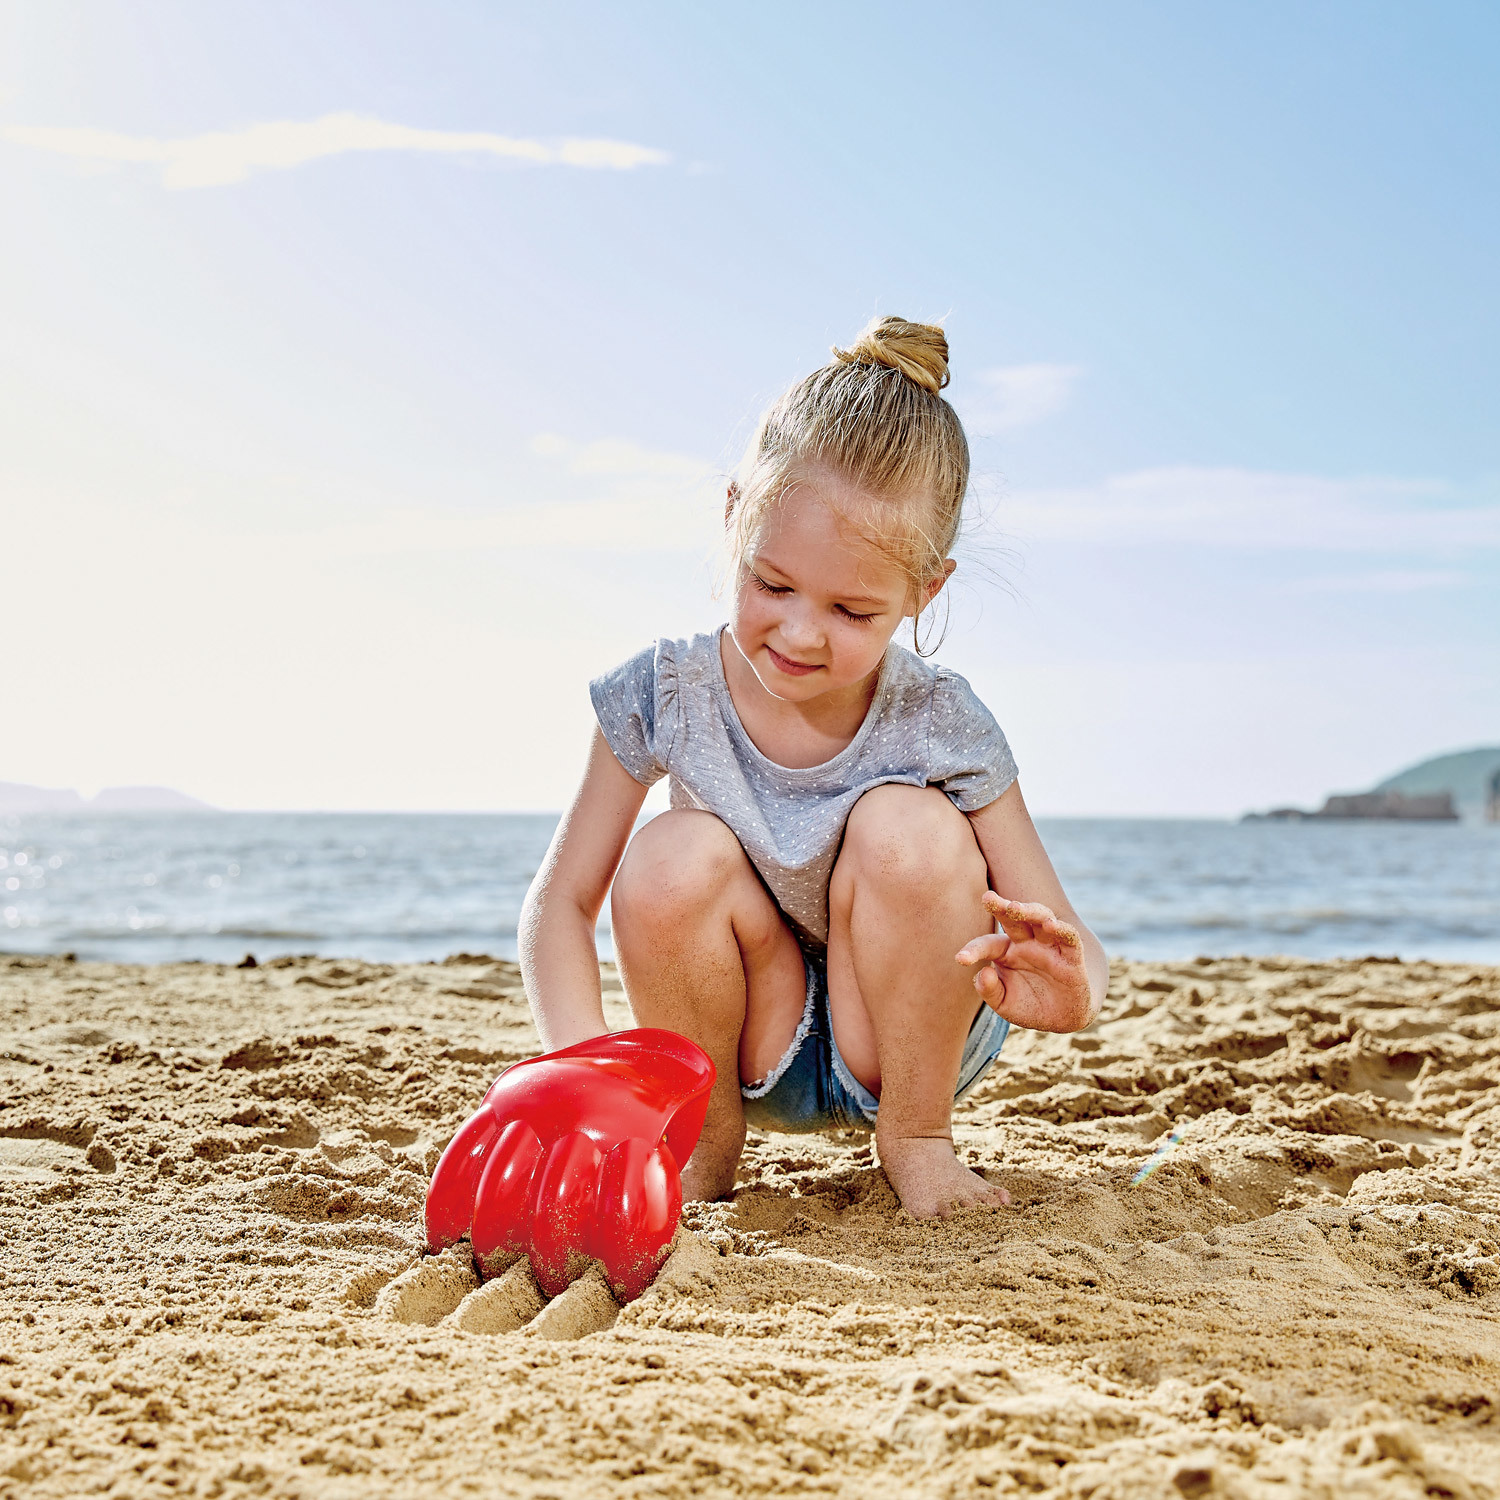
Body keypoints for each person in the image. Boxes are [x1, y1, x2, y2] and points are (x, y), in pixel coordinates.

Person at [519, 316, 1108, 1218]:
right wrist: (583, 1067)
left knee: (906, 828)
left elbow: (1065, 934)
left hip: (910, 1037)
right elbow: (560, 904)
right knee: (669, 852)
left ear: (924, 592)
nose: (798, 633)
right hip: (754, 1037)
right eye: (773, 584)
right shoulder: (664, 694)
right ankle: (703, 1147)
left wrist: (1076, 994)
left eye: (851, 610)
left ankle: (916, 1144)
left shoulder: (941, 719)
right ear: (732, 519)